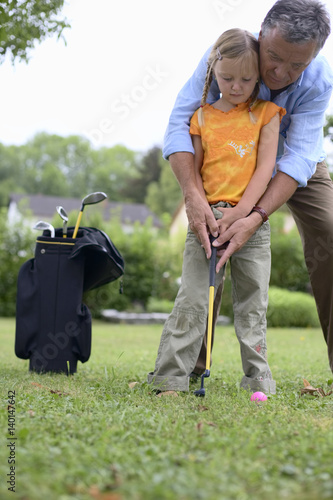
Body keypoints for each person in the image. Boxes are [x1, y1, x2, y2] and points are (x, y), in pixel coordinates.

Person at [162, 0, 333, 375]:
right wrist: (193, 194)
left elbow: (300, 157)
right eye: (273, 56)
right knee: (213, 236)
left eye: (296, 65)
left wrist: (254, 215)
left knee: (331, 232)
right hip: (227, 161)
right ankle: (191, 366)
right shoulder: (224, 57)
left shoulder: (320, 78)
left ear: (314, 56)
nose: (279, 72)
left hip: (293, 163)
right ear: (262, 33)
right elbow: (180, 122)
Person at [147, 28, 286, 396]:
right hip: (207, 221)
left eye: (246, 79)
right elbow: (194, 168)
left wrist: (242, 212)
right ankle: (170, 380)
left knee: (253, 305)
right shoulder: (201, 118)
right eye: (227, 78)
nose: (236, 86)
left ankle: (259, 381)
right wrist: (207, 210)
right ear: (213, 71)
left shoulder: (268, 115)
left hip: (250, 223)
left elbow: (265, 169)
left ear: (258, 76)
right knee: (193, 299)